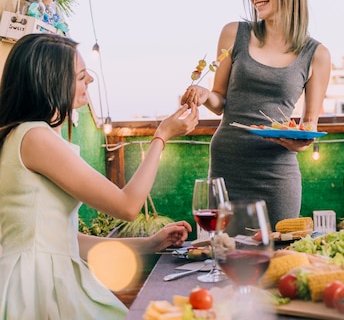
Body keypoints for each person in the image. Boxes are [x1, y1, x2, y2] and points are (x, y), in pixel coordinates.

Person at [0, 33, 198, 320]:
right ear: (52, 82)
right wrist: (161, 136)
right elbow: (128, 206)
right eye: (81, 77)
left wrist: (149, 244)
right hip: (38, 288)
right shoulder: (34, 136)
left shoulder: (24, 135)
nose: (89, 81)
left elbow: (68, 241)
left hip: (42, 278)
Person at [181, 0, 331, 227]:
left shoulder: (317, 55)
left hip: (277, 174)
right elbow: (219, 101)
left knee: (278, 256)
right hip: (228, 165)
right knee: (227, 254)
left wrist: (298, 142)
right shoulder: (233, 33)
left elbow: (308, 127)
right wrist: (204, 96)